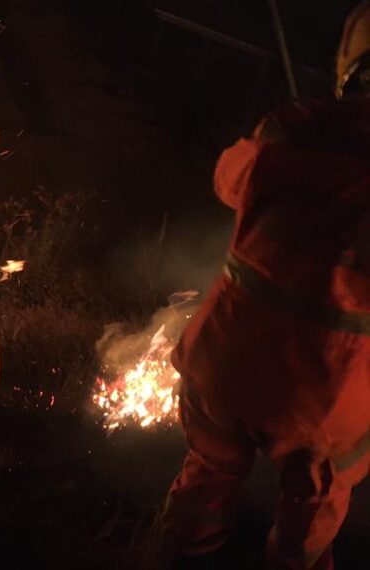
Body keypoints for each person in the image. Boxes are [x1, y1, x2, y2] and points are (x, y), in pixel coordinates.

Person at [163, 3, 370, 568]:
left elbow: (227, 181)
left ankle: (186, 552)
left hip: (223, 362)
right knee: (308, 519)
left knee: (207, 477)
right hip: (321, 401)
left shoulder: (287, 128)